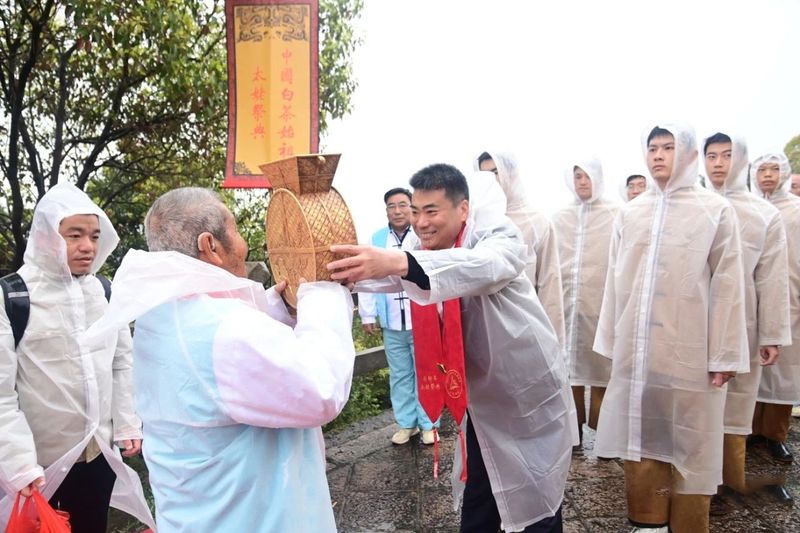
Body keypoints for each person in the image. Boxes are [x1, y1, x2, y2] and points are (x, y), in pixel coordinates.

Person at [83, 187, 356, 532]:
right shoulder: (223, 330)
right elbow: (320, 389)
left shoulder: (161, 313)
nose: (244, 244)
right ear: (210, 245)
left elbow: (234, 346)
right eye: (238, 230)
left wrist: (279, 308)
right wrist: (323, 295)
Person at [328, 164, 575, 533]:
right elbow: (396, 276)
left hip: (523, 392)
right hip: (477, 396)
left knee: (535, 494)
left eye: (432, 211)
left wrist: (398, 262)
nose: (421, 223)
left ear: (463, 210)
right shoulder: (419, 246)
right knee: (480, 483)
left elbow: (485, 266)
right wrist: (347, 276)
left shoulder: (496, 235)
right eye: (415, 211)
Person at [593, 124, 748, 533]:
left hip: (692, 352)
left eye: (668, 147)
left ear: (688, 153)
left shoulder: (714, 211)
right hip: (639, 353)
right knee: (640, 439)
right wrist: (611, 342)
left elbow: (729, 286)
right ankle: (646, 523)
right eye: (652, 148)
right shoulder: (631, 212)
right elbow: (614, 279)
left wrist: (726, 354)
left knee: (691, 446)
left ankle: (689, 524)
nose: (659, 155)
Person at [0, 183, 154, 532]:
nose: (87, 247)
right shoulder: (13, 296)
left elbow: (120, 362)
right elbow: (1, 393)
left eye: (95, 236)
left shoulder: (102, 291)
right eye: (74, 235)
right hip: (40, 467)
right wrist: (19, 463)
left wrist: (127, 422)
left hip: (96, 456)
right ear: (46, 236)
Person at [702, 133, 791, 499]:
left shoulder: (764, 214)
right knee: (696, 403)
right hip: (696, 321)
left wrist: (770, 333)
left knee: (736, 405)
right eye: (711, 156)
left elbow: (771, 277)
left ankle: (729, 485)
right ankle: (693, 484)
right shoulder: (694, 206)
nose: (719, 163)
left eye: (727, 155)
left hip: (744, 324)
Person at [358, 187, 437, 445]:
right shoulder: (378, 238)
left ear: (411, 207)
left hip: (422, 319)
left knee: (426, 371)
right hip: (392, 321)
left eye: (403, 205)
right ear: (386, 211)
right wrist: (368, 314)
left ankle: (429, 424)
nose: (398, 211)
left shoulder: (422, 234)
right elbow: (368, 274)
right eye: (392, 206)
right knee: (400, 373)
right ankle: (407, 423)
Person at [552, 158, 619, 446]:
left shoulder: (617, 214)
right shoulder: (560, 218)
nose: (582, 181)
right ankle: (573, 430)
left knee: (604, 370)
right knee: (570, 371)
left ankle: (606, 435)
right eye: (577, 175)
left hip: (603, 308)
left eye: (587, 176)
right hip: (569, 308)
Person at [475, 151, 566, 345]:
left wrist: (553, 341)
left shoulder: (536, 221)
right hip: (484, 330)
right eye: (485, 176)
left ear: (511, 174)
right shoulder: (474, 222)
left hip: (526, 327)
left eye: (495, 172)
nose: (492, 181)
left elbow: (549, 282)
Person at [749, 152, 800, 470]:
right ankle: (750, 429)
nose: (768, 175)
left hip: (792, 300)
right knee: (752, 372)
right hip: (753, 302)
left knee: (785, 373)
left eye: (774, 169)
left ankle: (775, 435)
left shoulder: (796, 211)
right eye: (762, 169)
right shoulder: (749, 209)